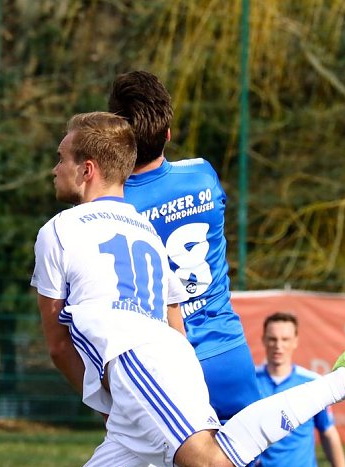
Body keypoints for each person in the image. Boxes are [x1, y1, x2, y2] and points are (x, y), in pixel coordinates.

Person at [31, 111, 345, 467]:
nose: (54, 168)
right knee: (224, 464)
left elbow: (58, 347)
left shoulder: (59, 232)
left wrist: (111, 403)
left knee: (215, 462)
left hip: (133, 363)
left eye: (61, 157)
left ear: (86, 169)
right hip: (170, 357)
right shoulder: (146, 230)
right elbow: (173, 317)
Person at [107, 70, 261, 423]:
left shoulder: (113, 206)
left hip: (165, 369)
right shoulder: (203, 174)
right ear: (169, 134)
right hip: (229, 353)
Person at [251, 312, 345, 467]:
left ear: (295, 341)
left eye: (285, 339)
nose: (278, 345)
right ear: (263, 340)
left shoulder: (313, 383)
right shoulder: (250, 383)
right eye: (273, 339)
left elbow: (328, 433)